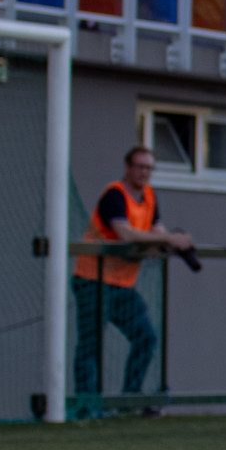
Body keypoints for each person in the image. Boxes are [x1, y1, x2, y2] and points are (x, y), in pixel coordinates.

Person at [73, 145, 194, 399]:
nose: (144, 172)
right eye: (139, 166)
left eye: (149, 167)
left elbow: (157, 229)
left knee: (146, 338)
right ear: (128, 168)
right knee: (90, 345)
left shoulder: (149, 196)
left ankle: (131, 398)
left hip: (122, 284)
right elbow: (125, 233)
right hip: (92, 281)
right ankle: (86, 406)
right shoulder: (114, 195)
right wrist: (169, 240)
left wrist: (171, 239)